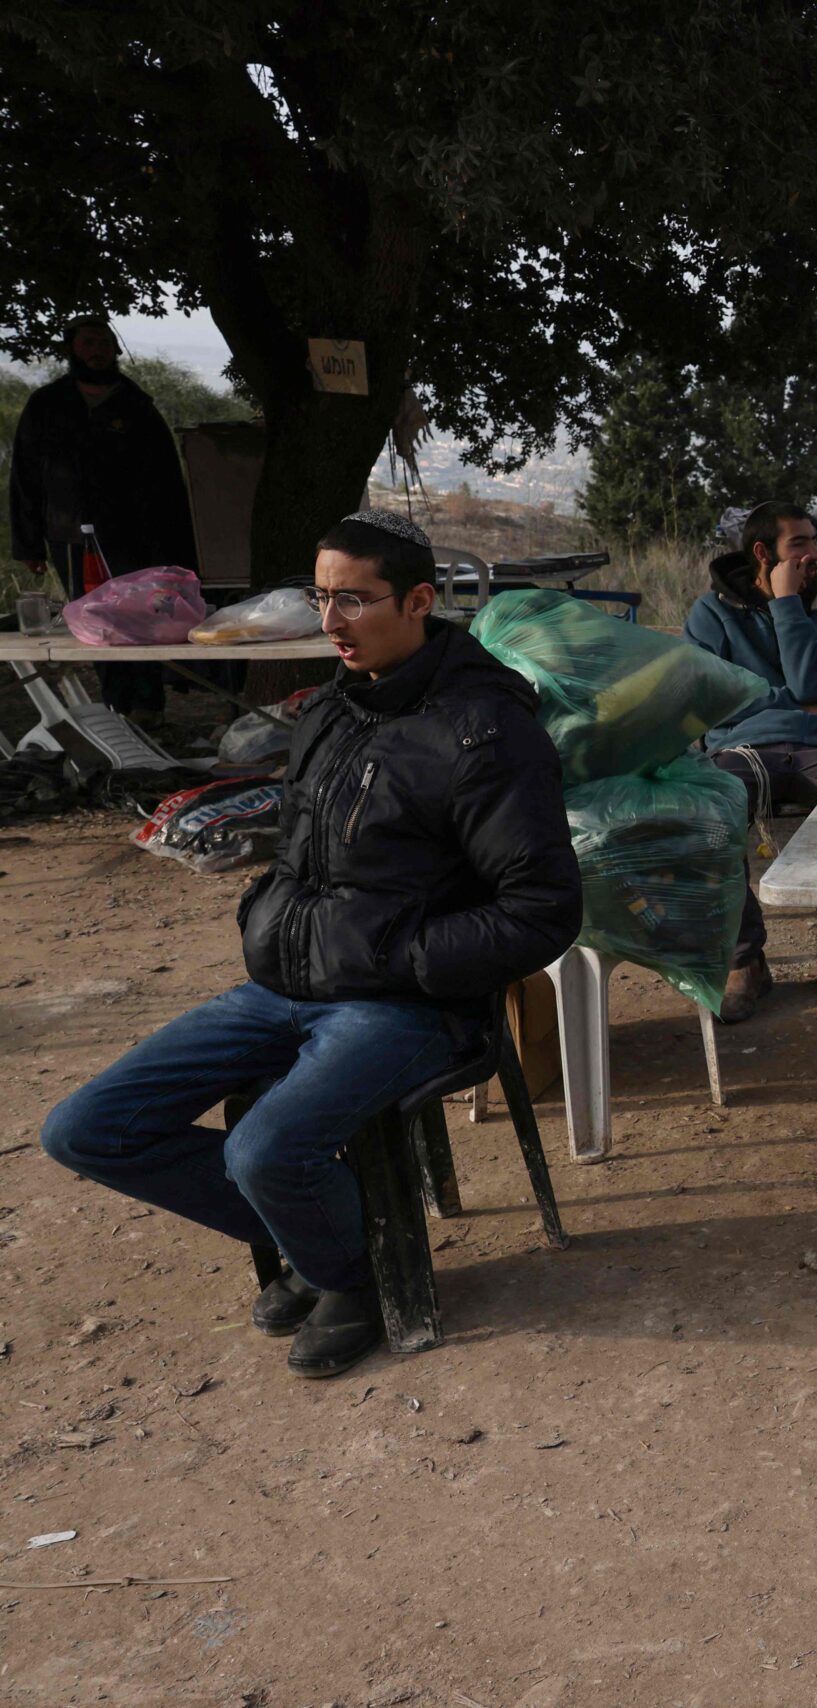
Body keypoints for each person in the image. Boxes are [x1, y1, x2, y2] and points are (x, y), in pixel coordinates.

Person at [39, 511, 581, 1378]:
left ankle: (352, 1277)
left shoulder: (486, 729)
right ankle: (333, 1238)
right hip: (288, 984)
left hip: (411, 1004)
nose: (329, 622)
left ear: (418, 602)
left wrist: (399, 959)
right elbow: (296, 853)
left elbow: (542, 912)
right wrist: (266, 917)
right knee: (86, 1129)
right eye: (319, 597)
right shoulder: (330, 709)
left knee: (265, 1148)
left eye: (353, 601)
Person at [685, 502, 817, 1023]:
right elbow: (712, 701)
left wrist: (786, 605)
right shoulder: (708, 615)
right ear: (763, 553)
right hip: (741, 744)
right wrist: (797, 704)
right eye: (798, 544)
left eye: (812, 542)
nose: (812, 554)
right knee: (706, 815)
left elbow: (807, 680)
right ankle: (746, 960)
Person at [8, 317, 197, 723]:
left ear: (115, 349)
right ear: (72, 350)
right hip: (71, 538)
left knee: (142, 618)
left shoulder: (136, 405)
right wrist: (27, 544)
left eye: (104, 343)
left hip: (137, 537)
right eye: (88, 343)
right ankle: (116, 709)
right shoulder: (48, 404)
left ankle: (148, 709)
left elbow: (166, 481)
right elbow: (24, 476)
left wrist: (176, 548)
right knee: (97, 623)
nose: (97, 351)